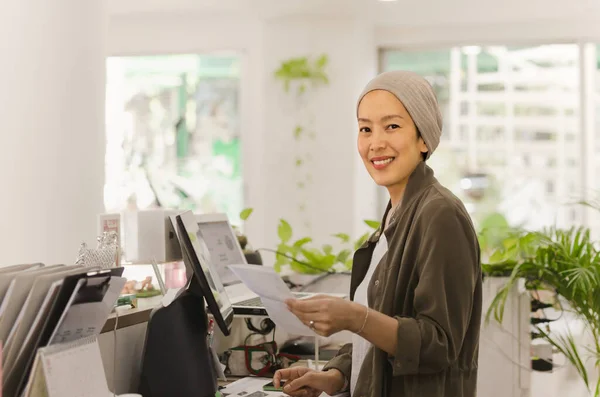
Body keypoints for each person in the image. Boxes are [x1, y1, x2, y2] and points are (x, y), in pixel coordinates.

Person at [272, 70, 482, 397]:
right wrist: (336, 374)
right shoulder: (394, 217)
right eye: (365, 129)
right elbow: (380, 332)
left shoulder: (440, 215)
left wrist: (356, 318)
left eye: (392, 126)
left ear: (423, 138)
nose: (376, 142)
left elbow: (439, 345)